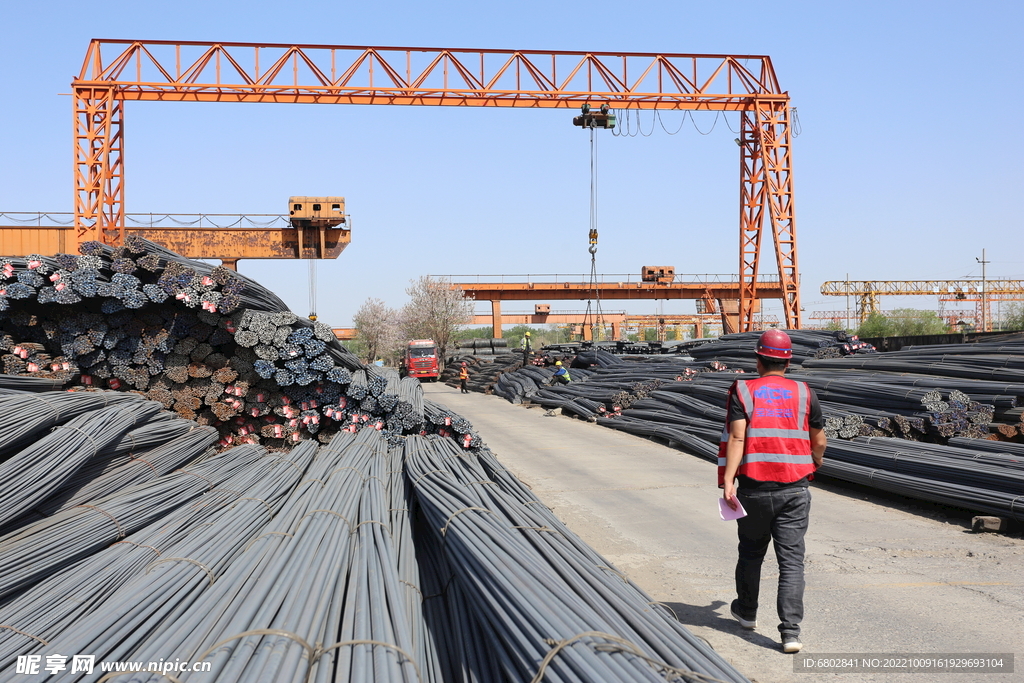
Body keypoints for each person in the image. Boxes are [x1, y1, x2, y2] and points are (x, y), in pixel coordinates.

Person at [718, 329, 826, 655]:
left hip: (752, 487)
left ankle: (747, 613)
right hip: (794, 488)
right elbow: (818, 440)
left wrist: (728, 481)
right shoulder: (805, 392)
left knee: (751, 553)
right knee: (791, 563)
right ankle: (790, 633)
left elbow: (737, 438)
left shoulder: (743, 390)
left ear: (758, 358)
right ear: (788, 360)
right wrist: (814, 463)